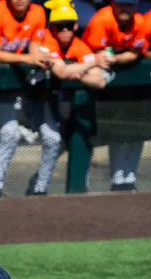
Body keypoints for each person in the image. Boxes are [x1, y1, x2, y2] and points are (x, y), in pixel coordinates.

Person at [24, 0, 103, 196]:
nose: (66, 30)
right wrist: (86, 68)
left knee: (58, 140)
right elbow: (62, 71)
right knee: (49, 139)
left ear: (76, 26)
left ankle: (39, 187)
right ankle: (33, 188)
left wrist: (81, 75)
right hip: (29, 99)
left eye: (69, 26)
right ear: (52, 28)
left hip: (52, 101)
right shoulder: (46, 43)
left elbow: (99, 81)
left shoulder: (79, 45)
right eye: (61, 27)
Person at [0, 0, 53, 197]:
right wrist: (28, 59)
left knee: (8, 135)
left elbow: (34, 50)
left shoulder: (37, 12)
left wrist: (40, 58)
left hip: (17, 84)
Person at [82, 0, 147, 191]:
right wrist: (113, 58)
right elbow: (96, 54)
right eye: (121, 4)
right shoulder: (102, 20)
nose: (125, 9)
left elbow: (135, 53)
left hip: (121, 82)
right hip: (88, 78)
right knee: (85, 133)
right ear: (113, 4)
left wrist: (116, 58)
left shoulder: (139, 22)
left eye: (129, 4)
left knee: (128, 130)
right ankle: (80, 184)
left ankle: (122, 181)